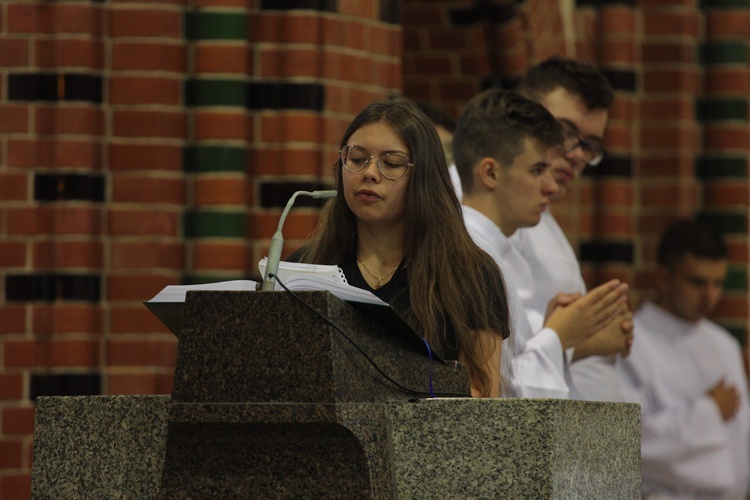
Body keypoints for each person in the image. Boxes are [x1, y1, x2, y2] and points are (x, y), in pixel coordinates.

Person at [287, 96, 510, 398]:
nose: (369, 173)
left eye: (391, 163)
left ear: (423, 177)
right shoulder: (305, 266)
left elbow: (482, 395)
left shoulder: (470, 273)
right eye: (356, 159)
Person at [453, 88, 631, 398]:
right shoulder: (472, 254)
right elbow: (498, 393)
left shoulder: (494, 248)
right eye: (537, 171)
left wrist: (556, 328)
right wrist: (559, 336)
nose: (550, 187)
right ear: (491, 173)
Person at [512, 56, 631, 402]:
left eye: (591, 145)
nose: (578, 155)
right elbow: (498, 363)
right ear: (520, 113)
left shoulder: (544, 217)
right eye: (565, 132)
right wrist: (587, 339)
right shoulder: (489, 211)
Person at [617, 218, 750, 498]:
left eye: (718, 283)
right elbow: (629, 444)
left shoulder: (724, 344)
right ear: (663, 277)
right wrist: (709, 413)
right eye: (697, 282)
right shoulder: (630, 342)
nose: (709, 296)